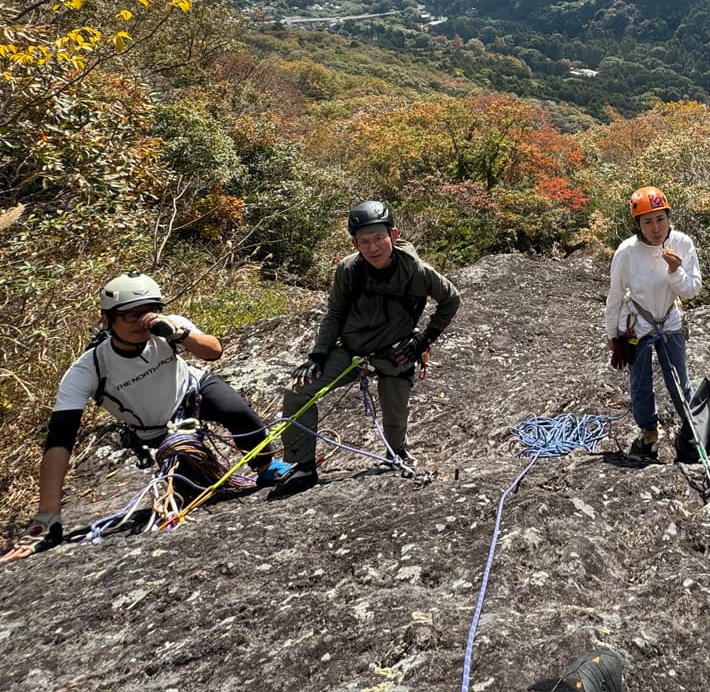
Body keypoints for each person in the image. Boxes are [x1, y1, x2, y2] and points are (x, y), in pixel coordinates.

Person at [2, 272, 289, 561]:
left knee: (236, 411)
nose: (142, 322)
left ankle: (265, 466)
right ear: (106, 320)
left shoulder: (168, 329)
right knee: (190, 487)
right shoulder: (88, 370)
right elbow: (60, 440)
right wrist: (47, 517)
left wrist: (180, 335)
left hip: (194, 392)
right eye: (130, 315)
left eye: (148, 312)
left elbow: (213, 351)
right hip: (156, 430)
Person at [272, 199, 460, 498]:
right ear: (355, 244)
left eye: (379, 238)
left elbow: (451, 299)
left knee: (395, 417)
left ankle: (396, 452)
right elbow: (335, 313)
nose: (373, 247)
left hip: (394, 352)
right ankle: (302, 466)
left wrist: (423, 340)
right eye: (364, 241)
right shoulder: (350, 269)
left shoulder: (416, 271)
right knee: (297, 391)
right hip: (352, 350)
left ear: (393, 235)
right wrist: (318, 355)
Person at [604, 185, 701, 460]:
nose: (656, 228)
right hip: (638, 324)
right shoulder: (627, 252)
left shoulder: (682, 243)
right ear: (638, 225)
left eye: (660, 219)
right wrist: (613, 335)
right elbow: (615, 295)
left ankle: (692, 428)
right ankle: (648, 431)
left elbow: (691, 290)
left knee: (679, 380)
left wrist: (675, 270)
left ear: (669, 217)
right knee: (640, 383)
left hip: (669, 318)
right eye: (647, 222)